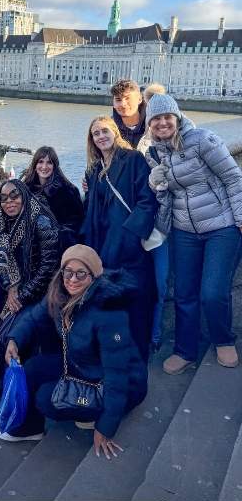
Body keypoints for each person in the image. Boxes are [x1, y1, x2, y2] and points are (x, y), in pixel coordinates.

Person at [1, 245, 147, 457]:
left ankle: (91, 414)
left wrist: (105, 428)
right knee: (31, 368)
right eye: (68, 272)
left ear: (94, 276)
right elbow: (33, 317)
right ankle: (29, 429)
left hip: (112, 383)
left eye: (81, 273)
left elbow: (118, 376)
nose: (72, 279)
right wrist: (14, 339)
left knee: (45, 398)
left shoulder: (109, 314)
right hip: (80, 364)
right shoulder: (61, 293)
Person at [145, 93, 242, 373]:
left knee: (212, 292)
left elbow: (233, 178)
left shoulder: (202, 139)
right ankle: (185, 350)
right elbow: (167, 199)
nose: (163, 123)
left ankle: (223, 340)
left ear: (177, 118)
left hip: (221, 226)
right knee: (185, 293)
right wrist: (158, 187)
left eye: (167, 117)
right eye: (156, 119)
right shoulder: (154, 153)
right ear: (150, 124)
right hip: (185, 230)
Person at [81, 117, 158, 361]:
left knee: (135, 301)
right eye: (95, 134)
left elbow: (147, 200)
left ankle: (138, 353)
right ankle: (114, 351)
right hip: (103, 244)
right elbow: (93, 207)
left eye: (105, 131)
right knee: (110, 301)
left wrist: (131, 234)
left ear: (115, 132)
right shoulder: (94, 169)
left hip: (128, 244)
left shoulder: (133, 159)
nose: (101, 136)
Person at [0, 179, 60, 319]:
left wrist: (21, 296)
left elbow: (47, 268)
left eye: (14, 195)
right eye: (3, 198)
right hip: (15, 290)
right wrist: (10, 287)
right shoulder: (2, 224)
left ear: (24, 196)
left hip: (40, 294)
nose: (9, 201)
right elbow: (0, 263)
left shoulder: (41, 222)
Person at [136, 83, 170, 351]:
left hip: (166, 230)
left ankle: (155, 336)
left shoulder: (180, 138)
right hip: (145, 227)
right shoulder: (143, 144)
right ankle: (140, 334)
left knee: (160, 286)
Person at [21, 146, 84, 249]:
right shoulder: (26, 189)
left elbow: (76, 221)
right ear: (35, 165)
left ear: (54, 166)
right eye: (40, 162)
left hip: (59, 243)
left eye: (49, 162)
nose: (44, 167)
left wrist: (55, 234)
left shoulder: (68, 190)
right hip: (31, 241)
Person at [111, 79, 147, 149]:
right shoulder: (108, 128)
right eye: (118, 99)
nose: (123, 104)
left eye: (128, 98)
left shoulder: (152, 127)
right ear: (113, 102)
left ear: (139, 99)